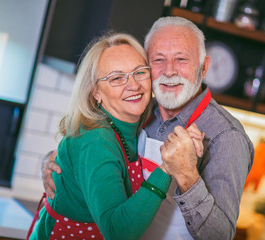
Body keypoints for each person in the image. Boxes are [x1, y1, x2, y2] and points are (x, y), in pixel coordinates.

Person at [43, 16, 254, 239]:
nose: (169, 71)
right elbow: (92, 153)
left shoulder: (226, 136)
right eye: (158, 60)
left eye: (181, 59)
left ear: (203, 68)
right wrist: (55, 166)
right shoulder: (138, 110)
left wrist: (187, 176)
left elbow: (220, 236)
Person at [29, 32, 204, 240]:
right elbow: (118, 232)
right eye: (117, 78)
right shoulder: (97, 141)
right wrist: (167, 168)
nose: (133, 85)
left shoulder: (129, 126)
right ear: (95, 92)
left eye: (140, 72)